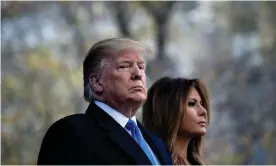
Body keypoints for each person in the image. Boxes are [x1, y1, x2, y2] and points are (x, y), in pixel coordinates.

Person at [37, 38, 173, 165]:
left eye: (141, 67)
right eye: (124, 66)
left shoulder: (157, 142)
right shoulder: (70, 133)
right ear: (97, 82)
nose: (138, 74)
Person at [143, 76, 210, 165]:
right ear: (168, 111)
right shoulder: (147, 160)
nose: (203, 111)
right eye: (192, 103)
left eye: (201, 104)